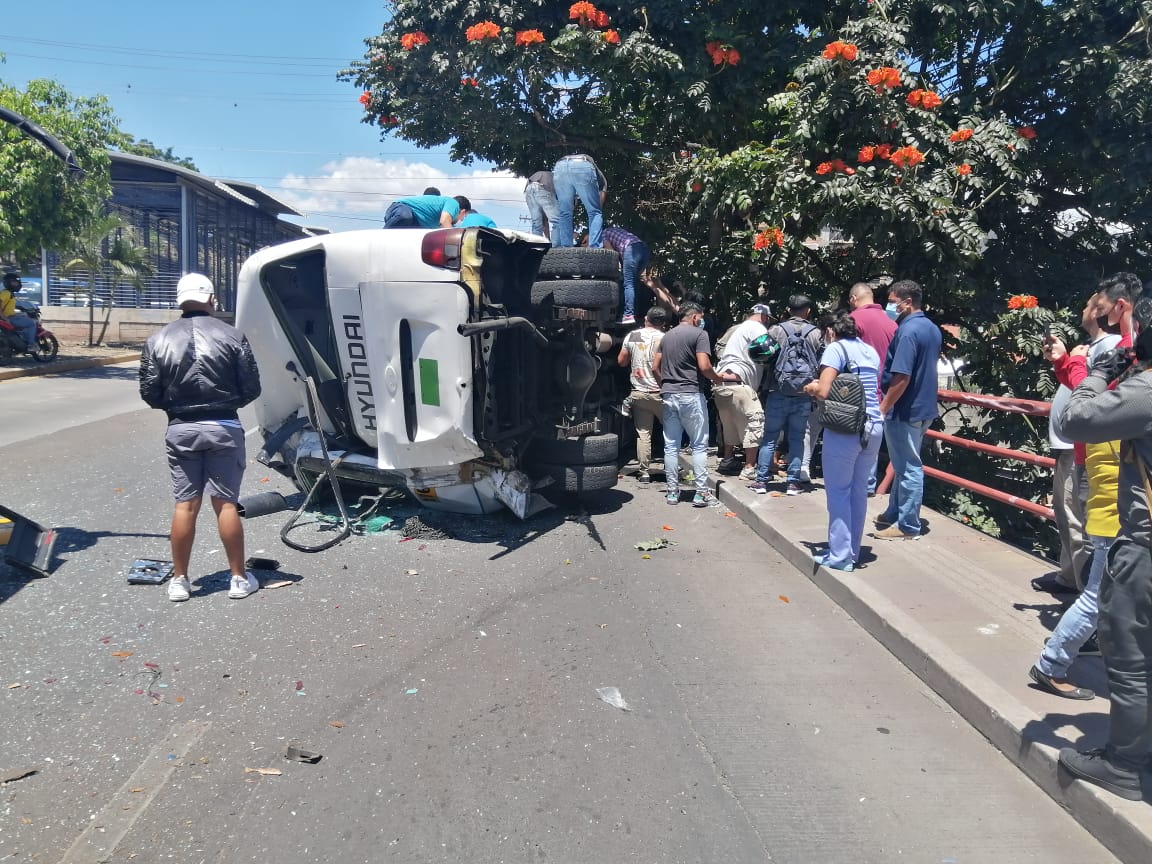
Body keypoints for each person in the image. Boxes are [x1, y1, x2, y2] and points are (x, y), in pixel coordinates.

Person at [1058, 285, 1152, 802]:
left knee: (1132, 657)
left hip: (1146, 548)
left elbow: (1076, 419)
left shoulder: (1144, 391)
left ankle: (1124, 764)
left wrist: (1103, 368)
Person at [138, 273, 263, 603]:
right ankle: (238, 579)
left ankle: (179, 581)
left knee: (185, 504)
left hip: (181, 427)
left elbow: (150, 392)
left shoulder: (157, 340)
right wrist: (224, 405)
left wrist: (178, 407)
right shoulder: (232, 336)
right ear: (211, 299)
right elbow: (251, 387)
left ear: (180, 300)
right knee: (225, 504)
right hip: (224, 425)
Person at [1036, 291, 1122, 595]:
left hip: (1085, 448)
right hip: (1073, 444)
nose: (1084, 308)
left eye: (1089, 304)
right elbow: (1077, 384)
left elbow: (1093, 395)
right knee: (1068, 517)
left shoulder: (1112, 347)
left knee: (1083, 526)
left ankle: (1088, 601)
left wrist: (1071, 361)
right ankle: (1072, 578)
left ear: (1105, 310)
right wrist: (1064, 361)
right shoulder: (1092, 348)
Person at [803, 310, 884, 572]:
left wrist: (810, 387)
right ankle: (851, 551)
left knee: (838, 492)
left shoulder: (835, 349)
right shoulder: (870, 351)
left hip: (846, 429)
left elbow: (825, 391)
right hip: (874, 426)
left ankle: (839, 556)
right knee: (858, 492)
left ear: (830, 332)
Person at [872, 280, 942, 540]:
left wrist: (883, 407)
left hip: (905, 408)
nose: (890, 306)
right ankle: (894, 513)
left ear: (907, 301)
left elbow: (901, 376)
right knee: (902, 464)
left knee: (908, 467)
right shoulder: (931, 328)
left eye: (892, 301)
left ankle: (907, 525)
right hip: (923, 407)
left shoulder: (908, 331)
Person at [653, 301, 739, 507]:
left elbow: (655, 366)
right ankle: (701, 493)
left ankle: (672, 492)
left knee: (671, 446)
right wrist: (717, 378)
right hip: (691, 394)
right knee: (699, 445)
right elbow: (704, 365)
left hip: (669, 395)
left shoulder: (667, 336)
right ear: (694, 317)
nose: (702, 321)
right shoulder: (700, 335)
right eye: (700, 318)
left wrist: (665, 384)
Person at [753, 294, 823, 496]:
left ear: (788, 310)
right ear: (808, 311)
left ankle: (761, 481)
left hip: (777, 391)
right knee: (797, 438)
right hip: (803, 393)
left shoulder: (776, 330)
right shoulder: (815, 333)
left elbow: (760, 355)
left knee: (770, 438)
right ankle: (793, 482)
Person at [847, 281, 898, 494]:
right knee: (875, 441)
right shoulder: (892, 322)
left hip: (860, 390)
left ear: (853, 299)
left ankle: (857, 485)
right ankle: (868, 486)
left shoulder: (853, 320)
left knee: (855, 442)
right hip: (888, 391)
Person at [713, 305, 771, 481]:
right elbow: (769, 350)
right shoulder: (757, 327)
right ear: (764, 317)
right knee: (754, 424)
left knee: (729, 424)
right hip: (740, 383)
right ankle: (749, 467)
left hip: (721, 384)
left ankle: (728, 459)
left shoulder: (738, 329)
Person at [617, 306, 668, 483]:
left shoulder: (633, 336)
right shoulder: (665, 338)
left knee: (643, 434)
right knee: (670, 432)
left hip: (639, 393)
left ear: (646, 318)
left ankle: (644, 472)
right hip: (661, 393)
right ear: (662, 323)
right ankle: (671, 468)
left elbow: (621, 361)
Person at [552, 153, 607, 248]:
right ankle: (595, 247)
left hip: (559, 167)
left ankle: (566, 248)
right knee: (595, 212)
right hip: (583, 165)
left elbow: (571, 204)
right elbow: (600, 198)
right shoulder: (602, 180)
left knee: (565, 213)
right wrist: (597, 210)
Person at [597, 225, 650, 325]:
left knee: (628, 283)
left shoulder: (603, 234)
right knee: (633, 282)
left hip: (632, 250)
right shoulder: (617, 230)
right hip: (644, 250)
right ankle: (635, 313)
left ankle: (628, 315)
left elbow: (612, 254)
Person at [383, 189, 462, 228]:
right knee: (405, 217)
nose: (459, 220)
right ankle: (383, 235)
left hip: (416, 221)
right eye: (462, 217)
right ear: (463, 211)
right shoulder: (453, 203)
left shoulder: (433, 221)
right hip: (400, 207)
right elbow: (444, 221)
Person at [0, 273, 37, 351]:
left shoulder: (8, 293)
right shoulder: (6, 293)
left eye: (17, 282)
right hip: (8, 318)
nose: (17, 284)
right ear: (8, 283)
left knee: (23, 316)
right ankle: (31, 345)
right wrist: (5, 318)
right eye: (14, 282)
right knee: (31, 323)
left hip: (8, 316)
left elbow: (11, 306)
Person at [524, 170, 559, 241]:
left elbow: (544, 221)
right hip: (543, 186)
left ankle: (537, 248)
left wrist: (548, 239)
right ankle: (556, 247)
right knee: (558, 221)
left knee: (536, 224)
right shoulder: (561, 184)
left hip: (528, 189)